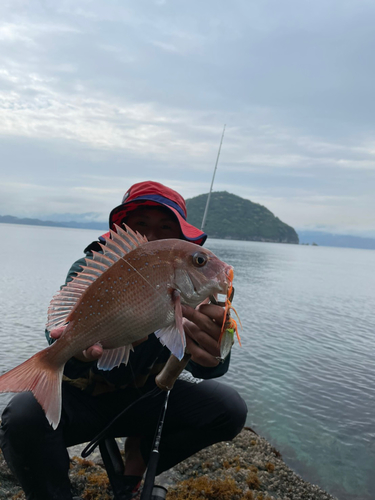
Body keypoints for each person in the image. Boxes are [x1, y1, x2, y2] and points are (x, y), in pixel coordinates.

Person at [0, 181, 248, 500]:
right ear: (122, 229)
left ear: (180, 236)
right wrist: (76, 354)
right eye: (141, 225)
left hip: (148, 398)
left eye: (166, 227)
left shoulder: (198, 290)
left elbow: (208, 364)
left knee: (228, 408)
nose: (152, 236)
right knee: (21, 416)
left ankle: (134, 466)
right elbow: (59, 331)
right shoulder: (91, 268)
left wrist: (216, 354)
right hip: (88, 399)